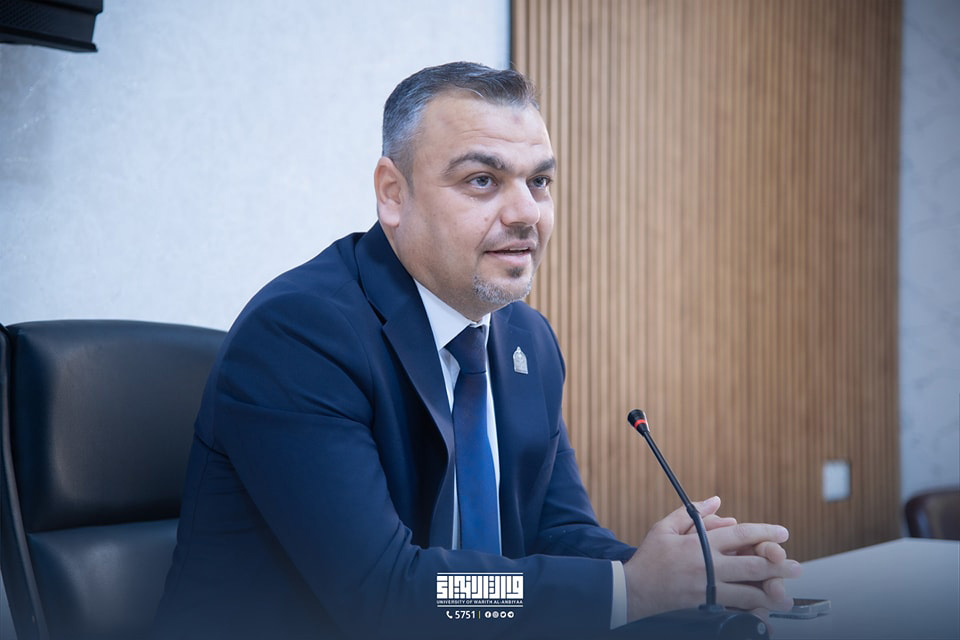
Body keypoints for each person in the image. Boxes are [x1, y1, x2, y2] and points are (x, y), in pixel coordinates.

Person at [154, 61, 799, 640]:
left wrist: (686, 578)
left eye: (539, 181)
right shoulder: (301, 334)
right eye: (484, 180)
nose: (527, 213)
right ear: (393, 194)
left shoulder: (526, 339)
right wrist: (629, 591)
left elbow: (557, 535)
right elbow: (387, 594)